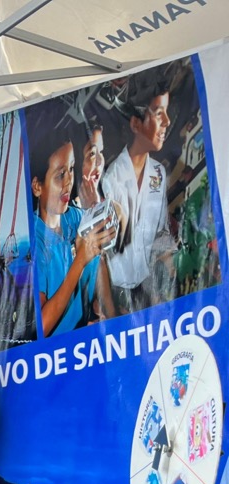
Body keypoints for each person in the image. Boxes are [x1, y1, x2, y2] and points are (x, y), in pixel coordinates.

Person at [29, 116, 116, 336]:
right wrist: (79, 261)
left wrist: (111, 317)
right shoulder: (34, 243)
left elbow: (98, 264)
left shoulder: (75, 218)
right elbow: (42, 326)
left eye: (71, 169)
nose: (69, 181)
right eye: (60, 175)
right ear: (37, 187)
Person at [101, 71, 176, 314]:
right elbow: (105, 251)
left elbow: (160, 232)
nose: (167, 121)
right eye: (158, 113)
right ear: (135, 124)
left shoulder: (158, 173)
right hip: (118, 291)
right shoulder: (111, 179)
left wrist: (166, 277)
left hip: (148, 284)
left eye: (166, 112)